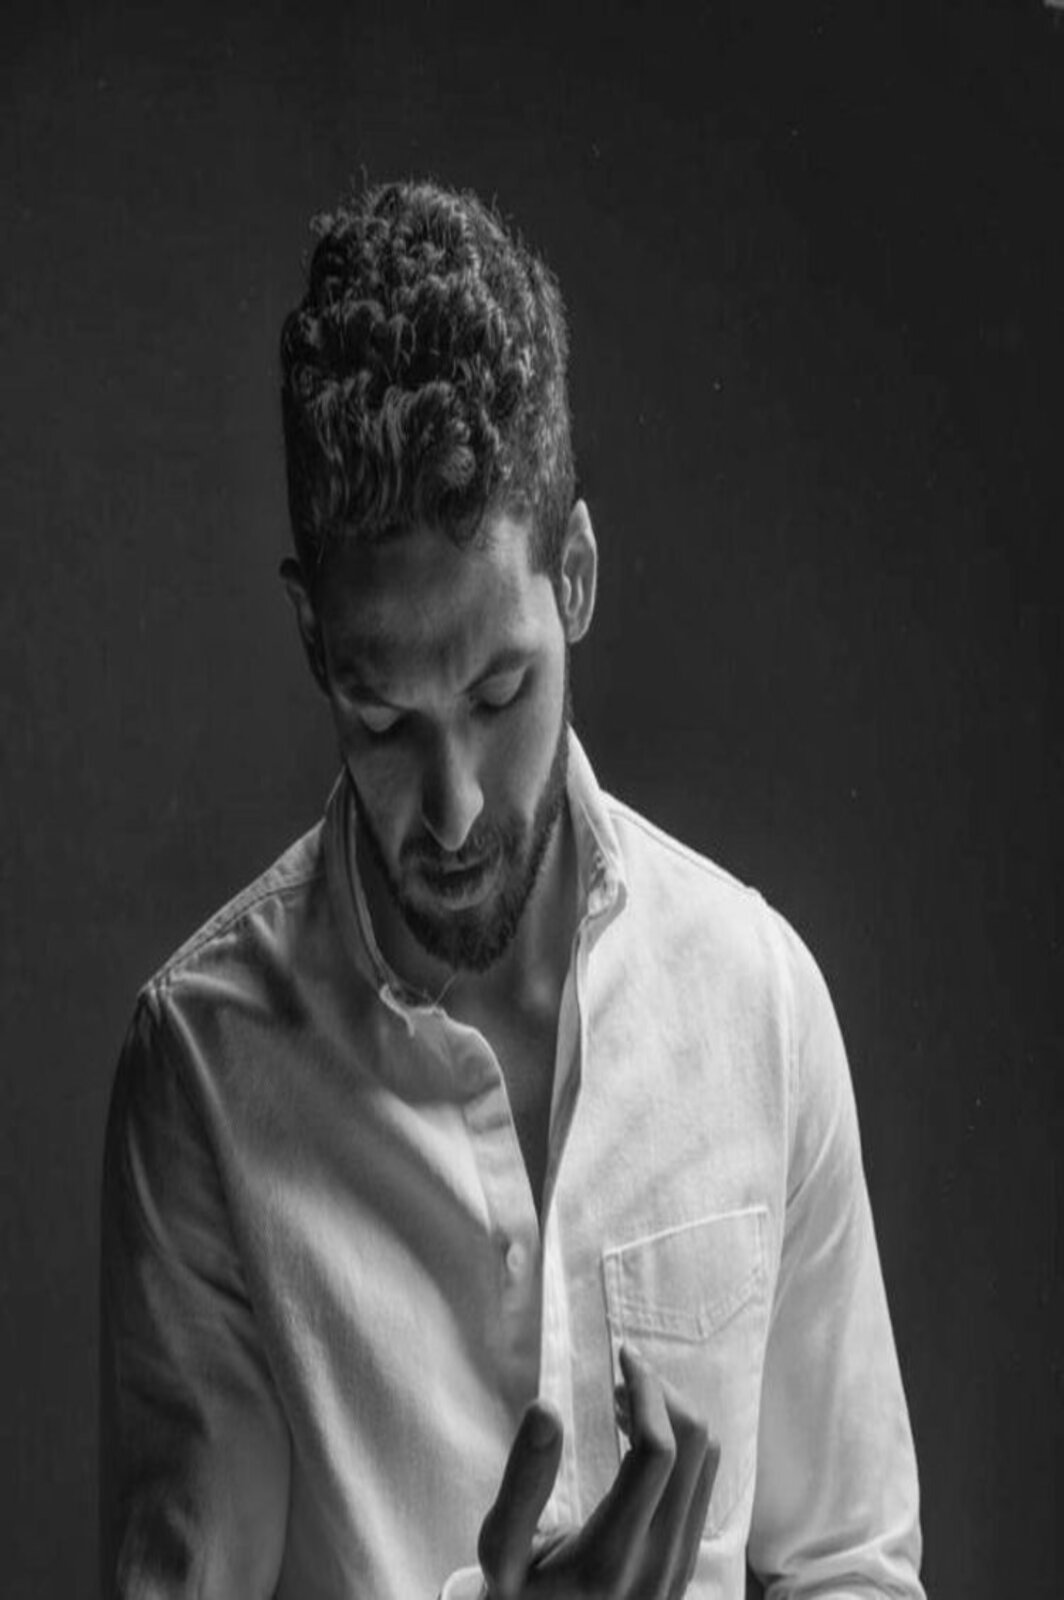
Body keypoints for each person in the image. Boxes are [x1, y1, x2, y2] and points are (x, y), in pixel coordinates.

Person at [99, 179, 926, 1600]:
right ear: (311, 636)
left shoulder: (762, 1002)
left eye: (497, 694)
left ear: (577, 575)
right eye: (380, 718)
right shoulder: (202, 1074)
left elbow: (853, 1562)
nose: (455, 807)